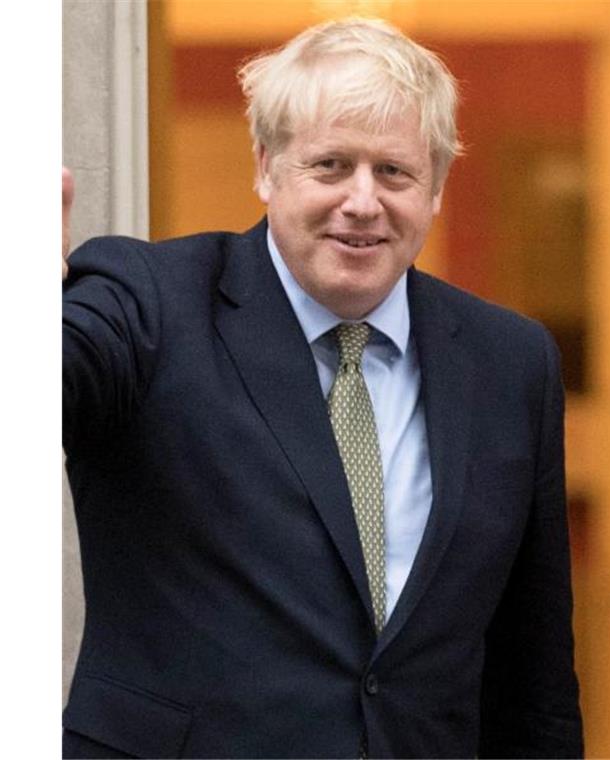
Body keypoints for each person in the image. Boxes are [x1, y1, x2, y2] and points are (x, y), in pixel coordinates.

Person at [62, 18, 583, 759]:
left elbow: (532, 679)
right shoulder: (149, 302)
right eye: (331, 165)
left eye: (394, 172)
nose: (363, 202)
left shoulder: (511, 362)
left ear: (436, 185)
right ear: (267, 166)